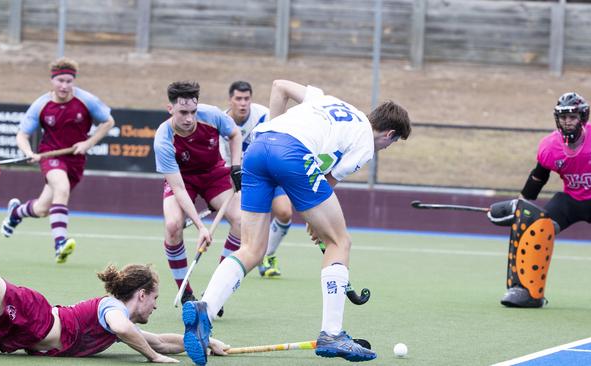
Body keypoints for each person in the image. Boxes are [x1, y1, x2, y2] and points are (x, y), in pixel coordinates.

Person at [181, 79, 411, 365]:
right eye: (392, 143)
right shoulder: (365, 143)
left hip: (258, 147)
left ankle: (206, 308)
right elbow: (327, 182)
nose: (386, 147)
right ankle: (332, 333)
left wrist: (274, 134)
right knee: (339, 242)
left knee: (252, 249)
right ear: (389, 134)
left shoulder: (329, 99)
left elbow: (278, 86)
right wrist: (317, 225)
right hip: (292, 155)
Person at [0, 133, 230, 362]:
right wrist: (152, 358)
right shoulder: (112, 309)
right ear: (142, 295)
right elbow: (128, 331)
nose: (156, 307)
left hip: (12, 335)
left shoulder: (119, 322)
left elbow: (159, 341)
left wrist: (206, 341)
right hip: (33, 316)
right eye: (155, 299)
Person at [488, 92, 591, 308]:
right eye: (563, 117)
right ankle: (526, 291)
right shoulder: (550, 146)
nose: (567, 122)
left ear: (583, 118)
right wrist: (519, 208)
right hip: (572, 200)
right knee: (536, 226)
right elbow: (539, 177)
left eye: (573, 117)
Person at [0, 57, 115, 264]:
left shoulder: (86, 100)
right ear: (52, 81)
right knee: (61, 188)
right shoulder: (41, 105)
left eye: (69, 81)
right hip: (51, 156)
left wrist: (88, 143)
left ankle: (16, 213)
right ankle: (60, 244)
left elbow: (108, 121)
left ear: (74, 81)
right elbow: (21, 135)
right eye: (60, 81)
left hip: (76, 160)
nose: (64, 86)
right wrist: (28, 151)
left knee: (43, 209)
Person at [153, 81, 242, 313]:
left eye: (193, 111)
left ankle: (216, 290)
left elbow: (234, 134)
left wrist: (236, 166)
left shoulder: (211, 115)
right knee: (173, 226)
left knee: (241, 221)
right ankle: (186, 291)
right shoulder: (163, 139)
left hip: (214, 173)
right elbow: (179, 189)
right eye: (183, 112)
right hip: (183, 179)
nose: (189, 118)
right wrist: (202, 226)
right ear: (170, 109)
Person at [220, 80, 291, 278]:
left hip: (268, 172)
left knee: (284, 212)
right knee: (245, 223)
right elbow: (223, 163)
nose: (243, 103)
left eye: (246, 99)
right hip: (241, 178)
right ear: (230, 100)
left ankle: (268, 254)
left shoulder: (264, 115)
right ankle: (241, 258)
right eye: (238, 99)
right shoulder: (222, 123)